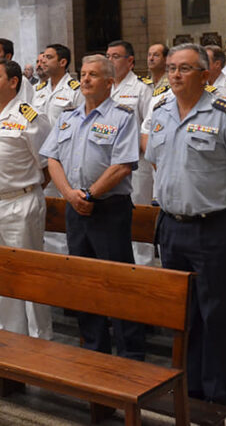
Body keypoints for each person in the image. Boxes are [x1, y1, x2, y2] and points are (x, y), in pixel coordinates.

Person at [144, 43, 226, 407]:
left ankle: (214, 393)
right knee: (182, 311)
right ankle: (188, 384)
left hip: (212, 227)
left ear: (205, 75)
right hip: (170, 226)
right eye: (171, 68)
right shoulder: (160, 112)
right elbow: (157, 162)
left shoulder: (225, 114)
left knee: (215, 313)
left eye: (184, 69)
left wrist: (214, 202)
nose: (174, 75)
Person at [40, 54, 146, 361]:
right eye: (83, 74)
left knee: (117, 282)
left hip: (108, 209)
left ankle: (130, 352)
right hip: (75, 208)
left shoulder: (122, 117)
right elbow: (52, 159)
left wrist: (88, 195)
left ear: (109, 82)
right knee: (83, 281)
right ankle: (93, 347)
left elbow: (123, 165)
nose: (85, 79)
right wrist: (70, 195)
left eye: (93, 75)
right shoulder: (68, 117)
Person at [0, 58, 53, 338]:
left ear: (13, 82)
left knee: (28, 274)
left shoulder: (30, 117)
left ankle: (39, 338)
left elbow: (47, 164)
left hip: (20, 202)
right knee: (0, 276)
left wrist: (28, 192)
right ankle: (11, 335)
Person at [106, 40, 155, 266]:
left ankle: (143, 266)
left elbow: (148, 127)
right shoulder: (105, 86)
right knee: (112, 217)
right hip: (108, 163)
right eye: (107, 56)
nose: (110, 61)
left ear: (130, 61)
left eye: (116, 57)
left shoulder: (141, 88)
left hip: (136, 163)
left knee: (138, 217)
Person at [33, 42, 83, 255]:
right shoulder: (38, 90)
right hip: (41, 159)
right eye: (43, 57)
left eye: (49, 57)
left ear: (63, 62)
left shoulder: (75, 90)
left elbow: (81, 126)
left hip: (65, 160)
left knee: (62, 215)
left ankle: (64, 260)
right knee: (45, 214)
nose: (43, 61)